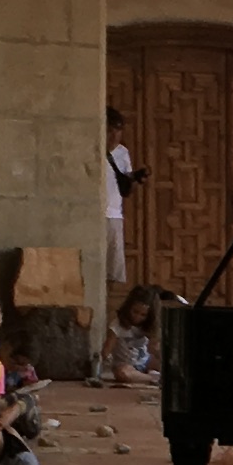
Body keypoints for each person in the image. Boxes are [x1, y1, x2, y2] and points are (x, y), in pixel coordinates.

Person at [105, 106, 139, 313]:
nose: (114, 136)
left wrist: (133, 181)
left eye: (118, 131)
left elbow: (127, 189)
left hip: (114, 215)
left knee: (112, 271)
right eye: (110, 130)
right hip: (94, 216)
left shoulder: (122, 153)